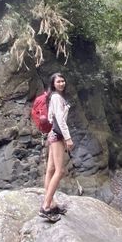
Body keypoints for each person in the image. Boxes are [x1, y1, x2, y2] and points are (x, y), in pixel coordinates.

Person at [41, 72, 73, 218]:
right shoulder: (55, 97)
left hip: (53, 134)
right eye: (58, 81)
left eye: (63, 81)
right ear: (53, 84)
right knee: (59, 171)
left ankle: (51, 203)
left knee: (50, 170)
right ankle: (46, 206)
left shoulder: (55, 97)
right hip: (58, 135)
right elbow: (60, 119)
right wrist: (68, 138)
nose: (61, 83)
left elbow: (50, 117)